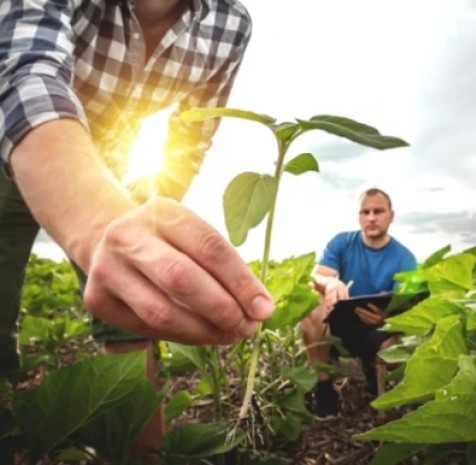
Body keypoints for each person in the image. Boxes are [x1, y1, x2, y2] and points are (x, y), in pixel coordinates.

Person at [0, 0, 272, 457]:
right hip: (11, 148)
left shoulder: (230, 23)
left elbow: (190, 137)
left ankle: (143, 454)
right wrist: (99, 222)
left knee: (136, 315)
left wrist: (152, 230)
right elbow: (26, 74)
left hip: (110, 168)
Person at [299, 188, 418, 420]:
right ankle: (325, 394)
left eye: (378, 211)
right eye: (365, 212)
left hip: (380, 331)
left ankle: (378, 378)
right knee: (311, 299)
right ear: (359, 216)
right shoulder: (342, 242)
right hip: (336, 328)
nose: (371, 217)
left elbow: (412, 311)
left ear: (391, 216)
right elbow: (318, 276)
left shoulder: (406, 259)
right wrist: (330, 283)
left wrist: (387, 319)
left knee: (401, 342)